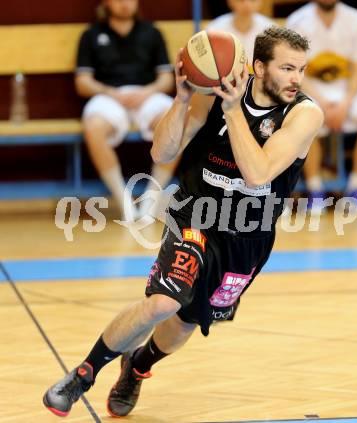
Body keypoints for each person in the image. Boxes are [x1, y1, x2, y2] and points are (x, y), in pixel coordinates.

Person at [43, 27, 323, 418]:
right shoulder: (217, 98)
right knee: (163, 301)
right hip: (196, 216)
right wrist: (183, 98)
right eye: (287, 68)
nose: (297, 78)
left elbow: (258, 173)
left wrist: (232, 113)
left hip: (247, 235)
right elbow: (162, 150)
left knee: (185, 324)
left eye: (301, 69)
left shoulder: (304, 114)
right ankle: (83, 375)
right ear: (258, 67)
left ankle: (138, 366)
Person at [75, 0, 175, 221]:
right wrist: (111, 92)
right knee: (93, 126)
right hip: (109, 96)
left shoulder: (152, 32)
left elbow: (167, 79)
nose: (124, 3)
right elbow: (83, 82)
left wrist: (146, 92)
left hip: (147, 95)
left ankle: (152, 198)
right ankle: (123, 201)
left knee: (176, 123)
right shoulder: (91, 35)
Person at [286, 0, 357, 211]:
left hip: (347, 92)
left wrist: (345, 103)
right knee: (305, 114)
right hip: (311, 91)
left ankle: (356, 188)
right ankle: (315, 190)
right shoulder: (297, 20)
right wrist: (322, 103)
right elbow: (296, 71)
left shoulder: (355, 19)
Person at [206, 0, 275, 62]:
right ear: (230, 1)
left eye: (252, 0)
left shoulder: (271, 30)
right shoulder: (214, 30)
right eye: (241, 0)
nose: (247, 4)